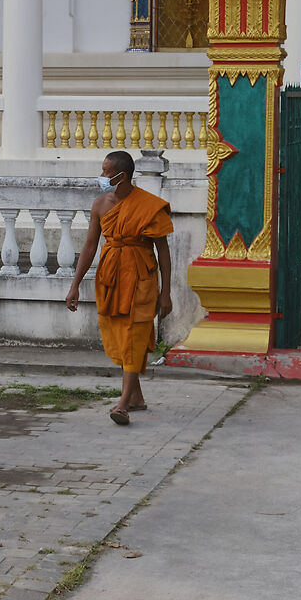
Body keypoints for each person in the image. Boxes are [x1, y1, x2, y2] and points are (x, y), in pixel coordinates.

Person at [63, 150, 173, 426]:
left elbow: (164, 253)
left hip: (142, 276)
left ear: (121, 176)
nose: (101, 177)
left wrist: (166, 292)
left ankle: (123, 405)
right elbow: (90, 246)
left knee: (135, 334)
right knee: (118, 335)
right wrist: (75, 285)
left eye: (105, 171)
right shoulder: (100, 205)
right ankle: (135, 397)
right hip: (111, 277)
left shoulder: (150, 206)